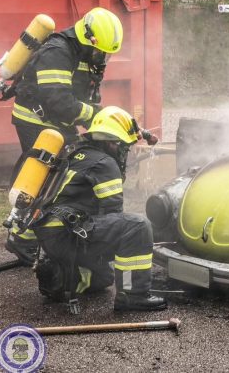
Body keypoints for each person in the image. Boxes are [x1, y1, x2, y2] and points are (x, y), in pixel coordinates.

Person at [7, 7, 123, 265]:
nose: (102, 57)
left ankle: (39, 229)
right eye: (100, 51)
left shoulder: (86, 54)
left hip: (57, 121)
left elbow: (85, 98)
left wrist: (100, 118)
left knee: (60, 172)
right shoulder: (58, 52)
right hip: (35, 120)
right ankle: (20, 236)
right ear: (88, 37)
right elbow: (58, 101)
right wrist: (94, 115)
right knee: (43, 175)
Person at [32, 106, 167, 312]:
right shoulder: (105, 164)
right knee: (137, 227)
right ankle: (133, 295)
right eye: (123, 147)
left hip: (51, 234)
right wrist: (144, 240)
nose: (124, 152)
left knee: (104, 278)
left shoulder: (76, 152)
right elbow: (114, 214)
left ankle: (63, 279)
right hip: (66, 236)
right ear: (112, 143)